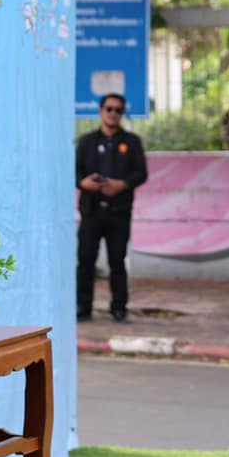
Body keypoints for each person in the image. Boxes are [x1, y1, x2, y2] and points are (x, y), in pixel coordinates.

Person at [75, 93, 147, 322]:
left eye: (118, 110)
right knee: (86, 261)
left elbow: (141, 173)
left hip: (119, 212)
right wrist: (83, 183)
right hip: (91, 211)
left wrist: (122, 185)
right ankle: (83, 307)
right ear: (100, 111)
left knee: (117, 261)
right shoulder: (86, 141)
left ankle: (119, 308)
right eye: (109, 109)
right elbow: (74, 171)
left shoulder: (132, 142)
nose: (113, 114)